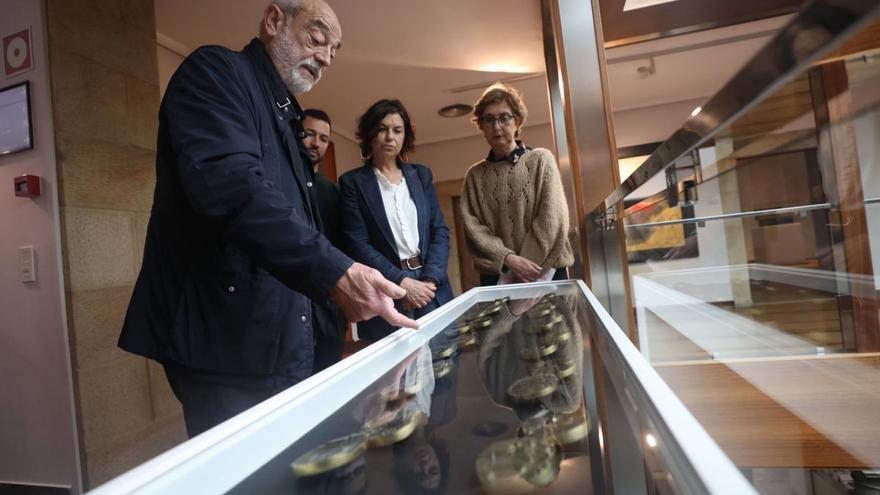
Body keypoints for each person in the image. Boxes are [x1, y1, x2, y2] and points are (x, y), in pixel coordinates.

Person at [118, 0, 417, 438]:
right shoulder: (216, 72)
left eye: (334, 49)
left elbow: (298, 225)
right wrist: (337, 273)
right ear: (274, 20)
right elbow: (234, 190)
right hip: (227, 347)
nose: (326, 57)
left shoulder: (286, 116)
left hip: (285, 347)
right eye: (318, 38)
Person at [338, 99, 453, 342]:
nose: (390, 137)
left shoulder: (421, 175)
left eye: (397, 130)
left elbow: (439, 231)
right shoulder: (353, 183)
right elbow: (357, 243)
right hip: (387, 286)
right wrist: (401, 281)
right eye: (382, 129)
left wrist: (430, 279)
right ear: (370, 134)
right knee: (398, 374)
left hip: (431, 285)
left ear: (405, 137)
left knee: (444, 359)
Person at [461, 83, 574, 286]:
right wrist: (509, 260)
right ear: (481, 127)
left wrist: (525, 266)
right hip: (496, 277)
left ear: (517, 121)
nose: (497, 126)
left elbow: (552, 219)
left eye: (504, 118)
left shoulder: (541, 160)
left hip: (544, 272)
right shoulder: (474, 176)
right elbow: (473, 229)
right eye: (489, 119)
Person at [301, 108, 346, 372]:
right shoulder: (277, 181)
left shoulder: (331, 191)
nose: (315, 143)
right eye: (308, 134)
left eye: (323, 138)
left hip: (327, 300)